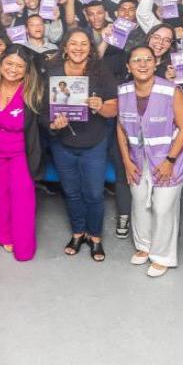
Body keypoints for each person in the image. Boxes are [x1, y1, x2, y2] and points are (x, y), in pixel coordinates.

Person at [117, 45, 183, 277]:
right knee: (139, 202)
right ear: (128, 66)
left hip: (169, 158)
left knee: (162, 208)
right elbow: (120, 128)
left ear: (154, 63)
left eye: (147, 59)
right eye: (137, 60)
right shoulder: (123, 91)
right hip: (138, 159)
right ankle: (144, 245)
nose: (142, 64)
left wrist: (170, 160)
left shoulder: (171, 91)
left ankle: (162, 255)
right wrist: (127, 162)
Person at [47, 28, 119, 262]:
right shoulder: (51, 72)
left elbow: (114, 109)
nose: (78, 48)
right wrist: (53, 125)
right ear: (65, 47)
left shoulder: (101, 72)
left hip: (94, 143)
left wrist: (99, 106)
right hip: (63, 143)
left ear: (90, 49)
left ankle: (95, 236)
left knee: (94, 193)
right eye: (73, 43)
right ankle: (78, 232)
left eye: (84, 44)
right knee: (71, 192)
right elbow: (40, 109)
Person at [0, 45, 46, 261]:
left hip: (21, 155)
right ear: (0, 65)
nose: (13, 69)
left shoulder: (33, 92)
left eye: (20, 66)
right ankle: (4, 236)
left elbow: (45, 120)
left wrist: (57, 124)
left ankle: (24, 247)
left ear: (27, 70)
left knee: (23, 198)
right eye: (9, 63)